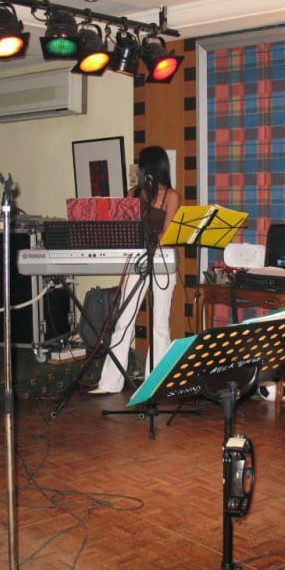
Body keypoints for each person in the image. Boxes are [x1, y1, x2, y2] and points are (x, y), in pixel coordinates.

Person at [89, 145, 180, 395]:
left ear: (152, 168)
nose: (140, 171)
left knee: (159, 322)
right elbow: (123, 229)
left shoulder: (171, 196)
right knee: (124, 319)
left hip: (161, 262)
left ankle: (155, 382)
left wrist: (146, 239)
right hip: (137, 260)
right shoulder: (133, 193)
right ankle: (110, 383)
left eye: (142, 166)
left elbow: (167, 234)